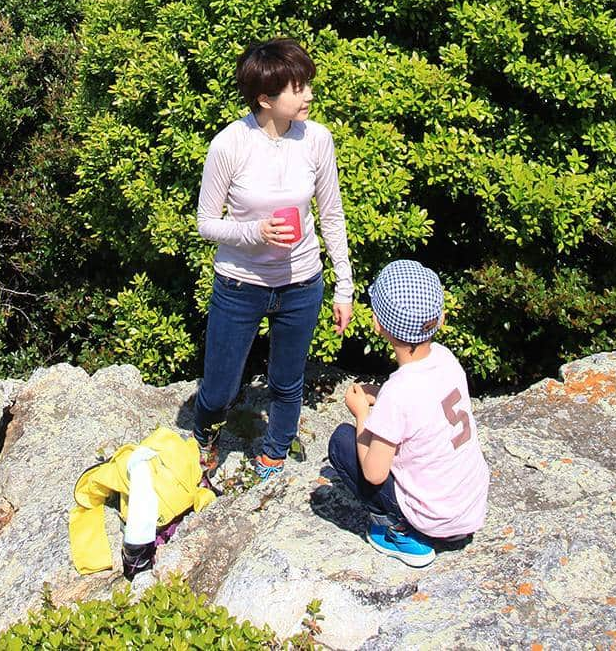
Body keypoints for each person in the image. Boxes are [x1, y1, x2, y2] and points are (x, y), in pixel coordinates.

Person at [193, 38, 353, 481]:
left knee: (287, 382)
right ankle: (205, 436)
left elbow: (331, 214)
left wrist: (344, 286)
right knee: (221, 387)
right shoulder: (230, 144)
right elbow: (206, 222)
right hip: (239, 284)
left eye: (307, 85)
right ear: (265, 98)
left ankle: (275, 455)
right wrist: (253, 232)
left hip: (302, 282)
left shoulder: (318, 140)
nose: (309, 96)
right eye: (297, 88)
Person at [328, 260, 489, 568]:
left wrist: (363, 413)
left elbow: (374, 473)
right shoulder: (446, 359)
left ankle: (401, 531)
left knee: (340, 442)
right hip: (468, 509)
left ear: (378, 324)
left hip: (434, 522)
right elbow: (424, 404)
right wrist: (382, 394)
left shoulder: (399, 393)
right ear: (440, 318)